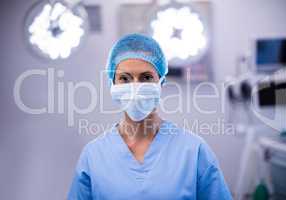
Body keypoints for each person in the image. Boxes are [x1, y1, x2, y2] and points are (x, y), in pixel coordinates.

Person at [67, 33, 232, 200]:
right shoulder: (94, 156)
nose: (136, 87)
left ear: (161, 83)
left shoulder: (193, 151)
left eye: (146, 77)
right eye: (125, 79)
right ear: (112, 84)